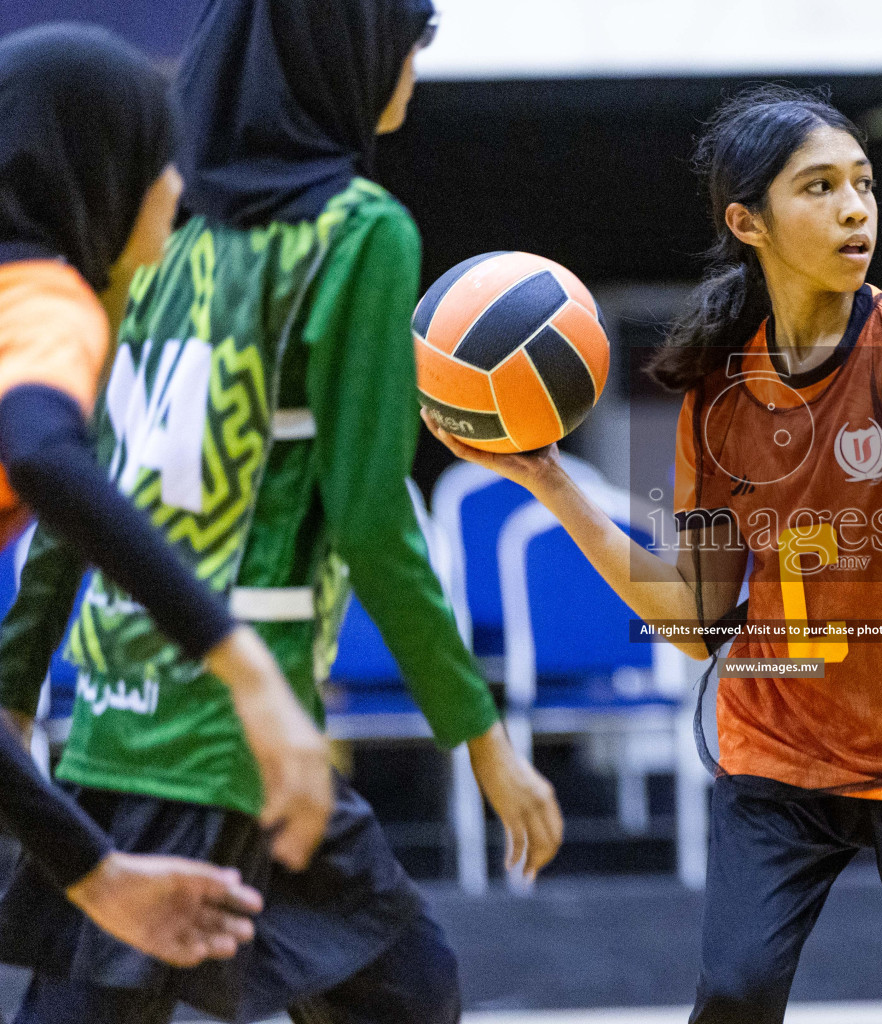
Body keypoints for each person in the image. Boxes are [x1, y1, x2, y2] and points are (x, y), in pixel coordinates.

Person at [425, 86, 882, 1024]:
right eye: (819, 187)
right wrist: (556, 486)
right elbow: (698, 626)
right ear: (748, 221)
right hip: (779, 746)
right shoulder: (717, 387)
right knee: (734, 995)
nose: (855, 209)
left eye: (863, 184)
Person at [0, 4, 562, 1022]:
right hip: (235, 741)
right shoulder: (359, 232)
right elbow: (370, 521)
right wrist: (479, 734)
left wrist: (17, 675)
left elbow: (78, 481)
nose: (412, 68)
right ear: (341, 52)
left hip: (114, 708)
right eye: (408, 39)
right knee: (411, 994)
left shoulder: (151, 233)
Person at [0, 23, 337, 969]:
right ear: (100, 172)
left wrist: (96, 874)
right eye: (161, 161)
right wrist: (246, 671)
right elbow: (46, 459)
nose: (179, 190)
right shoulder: (39, 299)